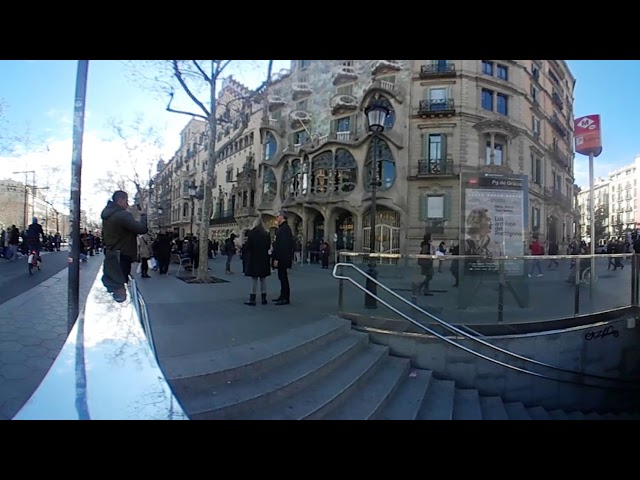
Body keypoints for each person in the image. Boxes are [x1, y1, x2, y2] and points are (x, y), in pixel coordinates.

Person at [101, 190, 148, 283]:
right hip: (122, 256)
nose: (127, 204)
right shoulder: (122, 215)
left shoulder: (108, 214)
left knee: (115, 283)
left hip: (111, 254)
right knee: (121, 285)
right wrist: (143, 215)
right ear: (120, 201)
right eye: (126, 201)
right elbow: (142, 229)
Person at [243, 218, 272, 306]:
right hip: (263, 259)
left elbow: (248, 247)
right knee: (263, 279)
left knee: (254, 279)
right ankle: (264, 298)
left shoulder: (252, 234)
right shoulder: (266, 234)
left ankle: (252, 298)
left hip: (254, 258)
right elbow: (268, 247)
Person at [271, 211, 294, 305]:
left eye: (277, 216)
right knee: (282, 277)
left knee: (283, 277)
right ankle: (282, 295)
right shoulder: (283, 228)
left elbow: (282, 246)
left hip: (282, 258)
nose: (276, 218)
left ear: (282, 217)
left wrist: (277, 258)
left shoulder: (284, 229)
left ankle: (285, 297)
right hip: (283, 257)